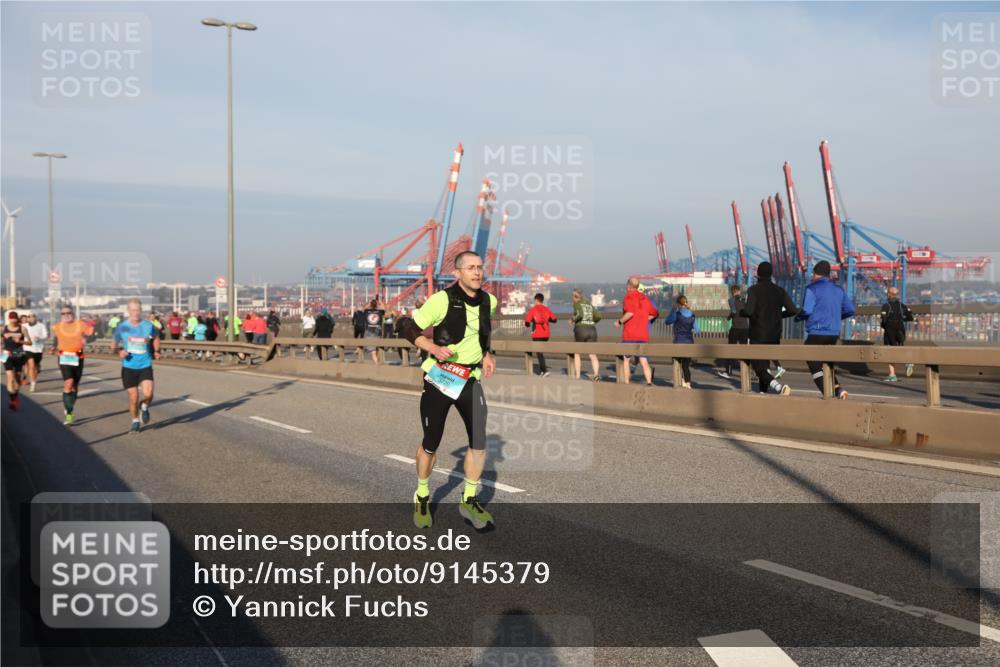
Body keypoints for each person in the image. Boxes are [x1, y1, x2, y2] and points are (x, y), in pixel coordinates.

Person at [400, 251, 497, 530]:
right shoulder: (441, 300)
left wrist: (487, 354)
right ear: (457, 273)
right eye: (470, 268)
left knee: (479, 442)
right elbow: (408, 328)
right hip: (440, 378)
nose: (477, 273)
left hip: (470, 378)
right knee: (431, 441)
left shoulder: (489, 301)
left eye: (480, 267)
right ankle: (421, 493)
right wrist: (432, 348)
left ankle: (468, 501)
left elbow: (484, 332)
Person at [795, 260, 855, 399]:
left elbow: (807, 310)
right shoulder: (839, 289)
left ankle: (829, 393)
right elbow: (850, 309)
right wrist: (837, 318)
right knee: (827, 363)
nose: (811, 277)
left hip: (817, 332)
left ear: (816, 274)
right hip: (833, 333)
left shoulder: (812, 288)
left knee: (813, 363)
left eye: (813, 274)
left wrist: (798, 317)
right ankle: (839, 390)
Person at [740, 262, 795, 395]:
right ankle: (763, 393)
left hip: (758, 334)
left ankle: (778, 387)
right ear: (771, 274)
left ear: (758, 274)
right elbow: (792, 310)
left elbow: (749, 311)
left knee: (759, 368)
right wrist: (779, 315)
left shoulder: (753, 290)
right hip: (775, 335)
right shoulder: (780, 291)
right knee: (764, 366)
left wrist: (741, 312)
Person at [112, 298, 160, 433]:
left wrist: (156, 351)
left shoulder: (148, 325)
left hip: (145, 364)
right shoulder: (122, 327)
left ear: (141, 311)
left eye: (138, 310)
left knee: (149, 394)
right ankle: (135, 421)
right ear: (128, 311)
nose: (135, 313)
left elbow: (156, 337)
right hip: (129, 366)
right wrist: (119, 351)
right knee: (133, 397)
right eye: (133, 310)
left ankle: (144, 406)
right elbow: (114, 345)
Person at [50, 306, 95, 424]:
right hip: (64, 357)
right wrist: (53, 346)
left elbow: (93, 335)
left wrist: (87, 340)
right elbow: (56, 338)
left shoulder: (80, 324)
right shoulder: (58, 326)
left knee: (74, 386)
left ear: (73, 313)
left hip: (78, 357)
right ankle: (69, 414)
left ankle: (69, 406)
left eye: (68, 312)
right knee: (68, 383)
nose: (65, 315)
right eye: (63, 313)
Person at [614, 277, 658, 385]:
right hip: (642, 335)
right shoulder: (644, 298)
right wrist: (644, 319)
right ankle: (648, 382)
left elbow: (630, 313)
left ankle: (627, 383)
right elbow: (654, 313)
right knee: (643, 361)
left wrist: (619, 322)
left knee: (626, 360)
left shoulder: (628, 297)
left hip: (630, 334)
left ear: (628, 286)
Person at [880, 286, 915, 382]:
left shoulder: (886, 305)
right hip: (900, 329)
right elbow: (910, 317)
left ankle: (892, 375)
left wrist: (884, 326)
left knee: (889, 351)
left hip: (890, 330)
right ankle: (907, 361)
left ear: (888, 294)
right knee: (899, 348)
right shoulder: (902, 305)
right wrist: (902, 319)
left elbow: (883, 320)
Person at [665, 295, 698, 388]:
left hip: (678, 342)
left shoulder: (677, 314)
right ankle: (687, 383)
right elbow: (697, 330)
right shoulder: (692, 315)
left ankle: (678, 382)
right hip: (689, 342)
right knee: (686, 365)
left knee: (676, 363)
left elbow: (667, 321)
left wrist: (673, 309)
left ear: (678, 304)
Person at [2, 311, 31, 411]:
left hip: (19, 356)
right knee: (10, 378)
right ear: (9, 319)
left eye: (15, 318)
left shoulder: (22, 329)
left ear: (17, 318)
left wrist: (21, 341)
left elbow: (30, 342)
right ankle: (13, 400)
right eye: (11, 318)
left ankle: (16, 395)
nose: (13, 320)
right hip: (7, 356)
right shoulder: (3, 329)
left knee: (17, 379)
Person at [719, 284, 749, 379]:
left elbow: (733, 311)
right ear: (739, 291)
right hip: (745, 328)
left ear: (732, 292)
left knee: (731, 349)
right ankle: (746, 372)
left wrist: (728, 318)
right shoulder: (745, 299)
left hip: (735, 327)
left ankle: (729, 372)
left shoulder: (731, 300)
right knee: (744, 350)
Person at [571, 289, 602, 380]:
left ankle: (577, 376)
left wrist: (573, 319)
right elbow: (599, 316)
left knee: (577, 353)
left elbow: (579, 314)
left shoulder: (577, 304)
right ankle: (596, 375)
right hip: (592, 330)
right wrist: (592, 321)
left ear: (575, 297)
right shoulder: (589, 304)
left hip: (581, 329)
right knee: (592, 354)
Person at [524, 293, 556, 376]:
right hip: (546, 334)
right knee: (541, 352)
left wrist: (530, 324)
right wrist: (546, 319)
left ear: (536, 300)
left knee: (539, 353)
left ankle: (545, 371)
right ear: (542, 300)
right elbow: (554, 320)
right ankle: (542, 370)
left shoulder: (533, 309)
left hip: (537, 334)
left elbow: (527, 322)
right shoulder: (547, 309)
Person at [23, 312, 48, 392]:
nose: (31, 318)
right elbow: (20, 335)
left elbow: (45, 335)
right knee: (31, 365)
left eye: (33, 316)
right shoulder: (24, 326)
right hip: (28, 348)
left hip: (38, 349)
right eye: (29, 316)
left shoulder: (41, 325)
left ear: (36, 318)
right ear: (28, 318)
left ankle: (34, 379)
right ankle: (32, 385)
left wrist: (39, 338)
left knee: (35, 368)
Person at [363, 299, 385, 364]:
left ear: (370, 305)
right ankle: (376, 364)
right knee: (377, 350)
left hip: (369, 332)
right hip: (378, 332)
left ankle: (376, 366)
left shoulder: (367, 311)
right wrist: (380, 302)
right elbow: (384, 309)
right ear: (376, 305)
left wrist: (370, 303)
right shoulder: (379, 311)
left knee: (373, 352)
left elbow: (364, 308)